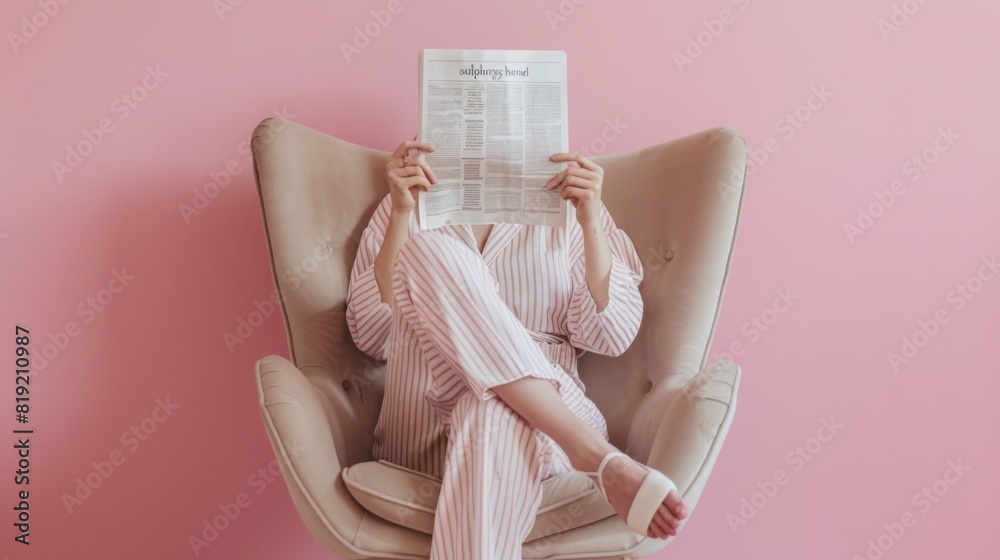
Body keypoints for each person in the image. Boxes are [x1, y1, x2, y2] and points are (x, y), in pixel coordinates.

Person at [346, 138, 688, 559]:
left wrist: (592, 220)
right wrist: (401, 214)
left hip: (552, 424)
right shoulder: (407, 201)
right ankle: (597, 457)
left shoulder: (570, 206)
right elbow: (371, 336)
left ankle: (582, 446)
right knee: (427, 247)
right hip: (428, 429)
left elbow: (611, 335)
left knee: (491, 408)